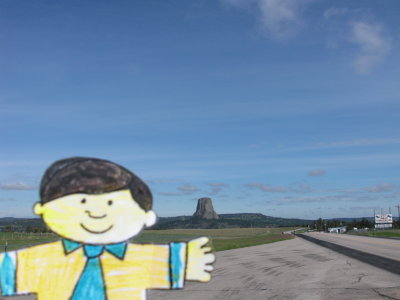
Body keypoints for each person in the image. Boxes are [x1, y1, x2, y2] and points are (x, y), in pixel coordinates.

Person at [0, 157, 214, 300]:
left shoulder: (135, 258)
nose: (96, 212)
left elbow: (167, 262)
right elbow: (11, 271)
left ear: (145, 217)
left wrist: (186, 260)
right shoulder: (45, 259)